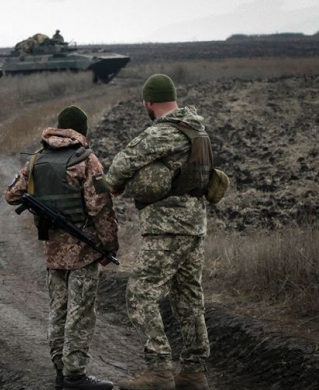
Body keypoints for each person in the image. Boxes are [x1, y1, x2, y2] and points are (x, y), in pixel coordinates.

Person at [102, 74, 211, 390]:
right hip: (194, 225)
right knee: (188, 296)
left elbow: (124, 161)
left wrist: (113, 185)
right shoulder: (197, 129)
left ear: (149, 102)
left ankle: (159, 370)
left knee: (140, 293)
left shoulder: (164, 132)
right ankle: (193, 372)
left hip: (167, 226)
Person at [5, 106, 119, 390]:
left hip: (53, 252)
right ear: (82, 130)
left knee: (58, 311)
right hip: (83, 252)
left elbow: (11, 194)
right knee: (80, 313)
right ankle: (75, 377)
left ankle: (60, 371)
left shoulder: (37, 159)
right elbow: (101, 207)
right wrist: (109, 245)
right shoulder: (86, 159)